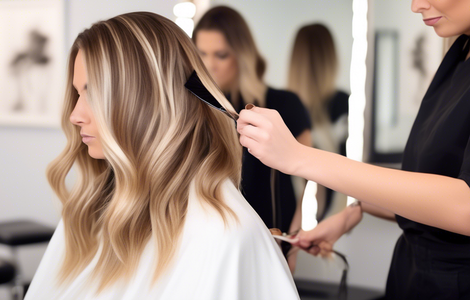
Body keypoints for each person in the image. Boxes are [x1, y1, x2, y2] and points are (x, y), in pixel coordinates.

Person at [23, 12, 299, 300]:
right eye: (77, 93)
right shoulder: (86, 214)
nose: (74, 116)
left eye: (94, 93)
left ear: (150, 100)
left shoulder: (222, 237)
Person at [236, 0, 470, 298]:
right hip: (411, 275)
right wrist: (354, 212)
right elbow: (433, 189)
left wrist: (299, 157)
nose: (416, 5)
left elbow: (465, 207)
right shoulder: (458, 55)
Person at [192, 6, 312, 274]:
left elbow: (313, 178)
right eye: (201, 53)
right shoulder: (192, 110)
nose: (209, 64)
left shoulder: (283, 104)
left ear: (241, 55)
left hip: (271, 240)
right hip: (209, 245)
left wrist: (294, 235)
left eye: (221, 55)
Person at [288, 23, 349, 220]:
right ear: (330, 58)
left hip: (290, 219)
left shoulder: (282, 106)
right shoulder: (343, 103)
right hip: (330, 213)